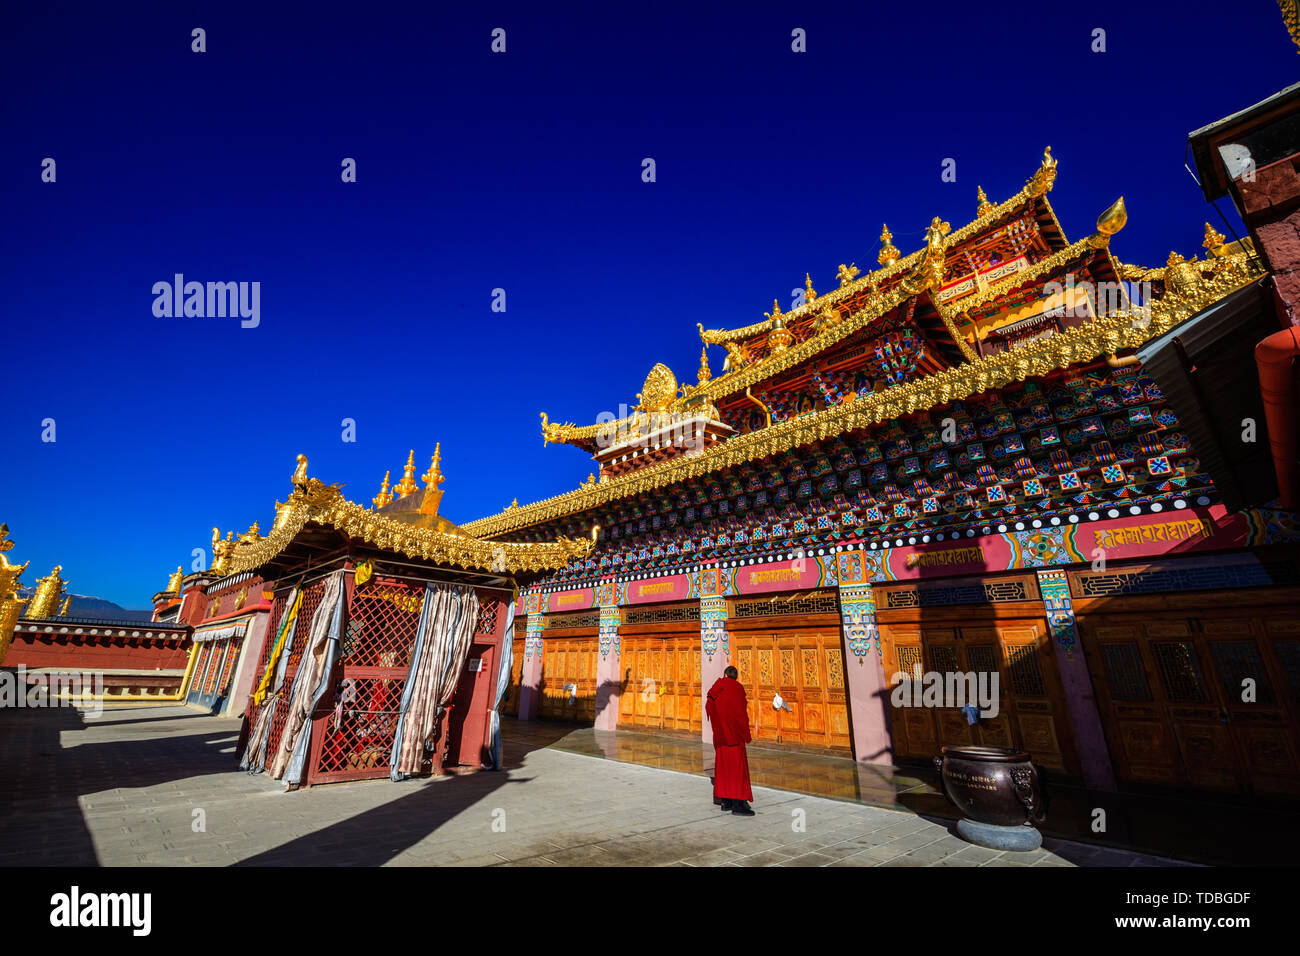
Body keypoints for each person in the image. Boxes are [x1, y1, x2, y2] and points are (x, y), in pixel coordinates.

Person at [706, 665, 754, 815]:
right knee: (737, 771)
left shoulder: (716, 687)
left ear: (725, 674)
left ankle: (726, 802)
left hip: (721, 738)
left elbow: (709, 708)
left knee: (723, 770)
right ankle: (738, 805)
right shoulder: (737, 689)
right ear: (736, 676)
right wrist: (746, 735)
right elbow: (740, 714)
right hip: (734, 737)